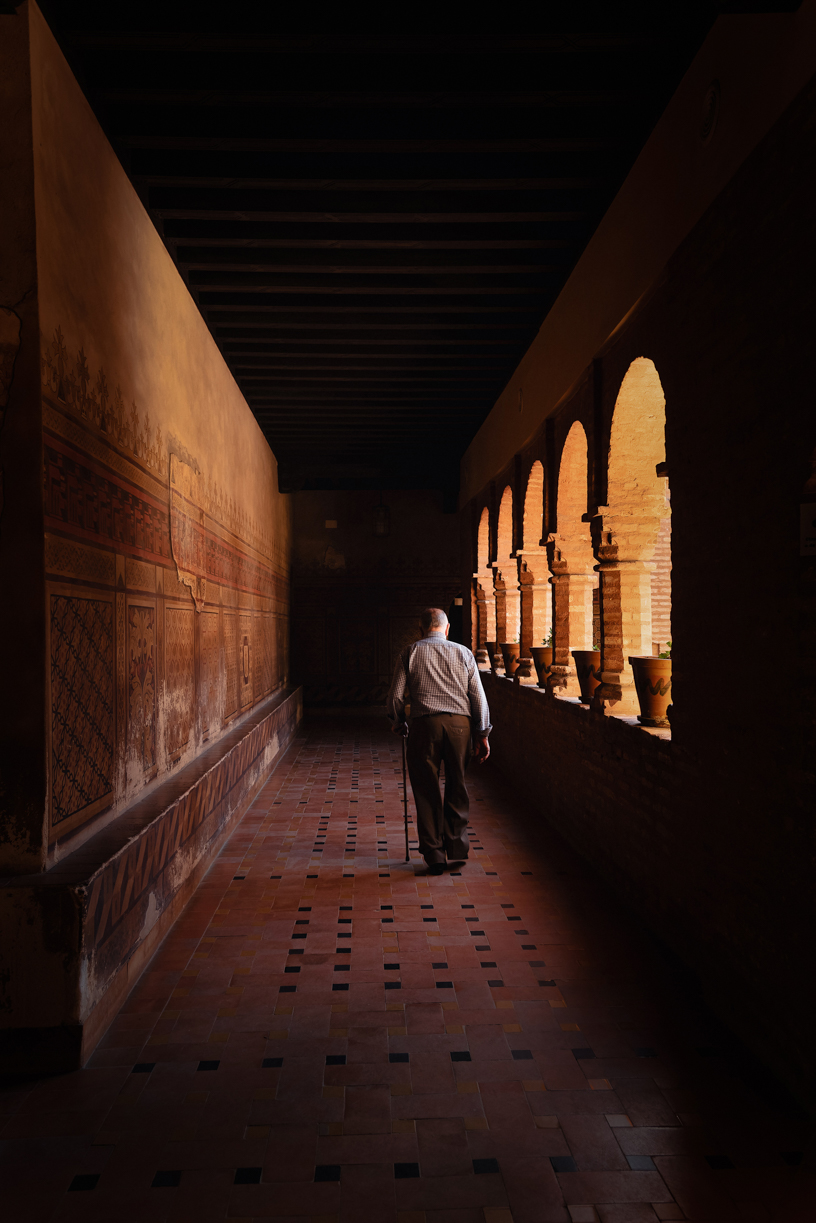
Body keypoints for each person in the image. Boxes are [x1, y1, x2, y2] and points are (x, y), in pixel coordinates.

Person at [386, 607, 491, 875]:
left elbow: (396, 696)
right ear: (446, 629)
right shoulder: (463, 653)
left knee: (426, 788)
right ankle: (456, 846)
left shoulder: (410, 652)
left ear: (420, 630)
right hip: (460, 727)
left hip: (424, 726)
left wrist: (399, 722)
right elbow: (478, 696)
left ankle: (434, 854)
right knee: (457, 784)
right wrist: (482, 733)